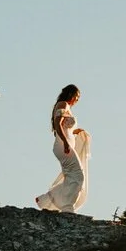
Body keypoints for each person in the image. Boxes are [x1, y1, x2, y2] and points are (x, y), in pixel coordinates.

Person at [34, 84, 91, 213]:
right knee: (78, 175)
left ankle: (46, 199)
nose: (77, 100)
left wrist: (75, 132)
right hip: (63, 146)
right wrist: (65, 142)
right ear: (71, 94)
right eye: (76, 97)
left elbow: (66, 128)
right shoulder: (63, 105)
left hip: (66, 144)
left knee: (72, 175)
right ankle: (67, 207)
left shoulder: (66, 107)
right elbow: (57, 124)